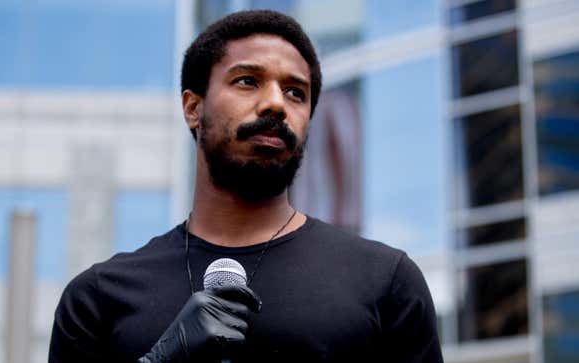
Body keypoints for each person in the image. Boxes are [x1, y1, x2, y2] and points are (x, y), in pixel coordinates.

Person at [49, 9, 443, 363]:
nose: (275, 104)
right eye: (248, 81)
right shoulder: (99, 298)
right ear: (193, 108)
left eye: (296, 93)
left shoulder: (385, 282)